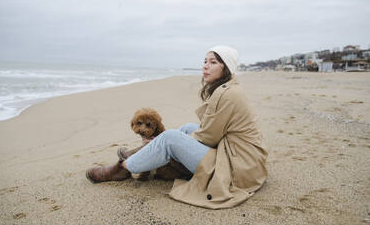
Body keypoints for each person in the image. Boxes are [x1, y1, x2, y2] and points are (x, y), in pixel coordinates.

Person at [86, 45, 268, 209]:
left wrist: (169, 142)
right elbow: (210, 131)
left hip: (237, 167)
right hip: (241, 157)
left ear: (226, 67)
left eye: (213, 62)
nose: (205, 66)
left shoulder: (227, 94)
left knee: (170, 137)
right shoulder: (229, 89)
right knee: (188, 127)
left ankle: (124, 167)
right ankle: (144, 151)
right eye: (205, 61)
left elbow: (210, 137)